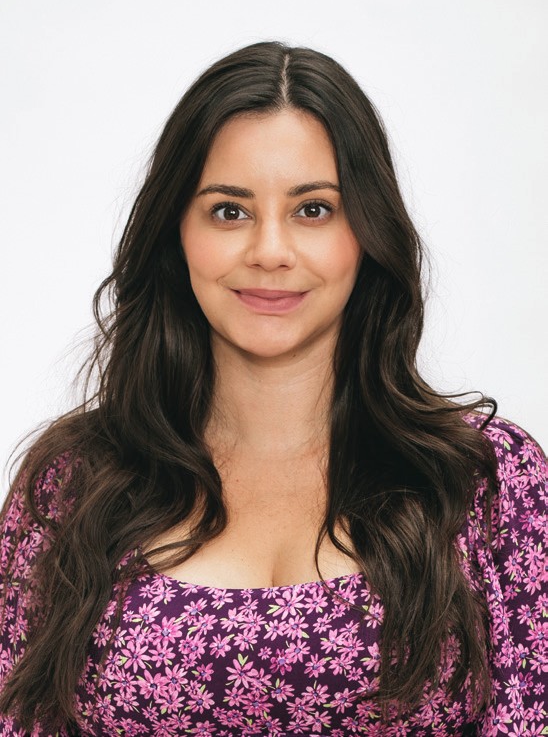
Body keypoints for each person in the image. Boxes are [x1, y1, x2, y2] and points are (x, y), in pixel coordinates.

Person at [0, 41, 545, 737]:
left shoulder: (487, 480)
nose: (269, 251)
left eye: (313, 209)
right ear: (177, 234)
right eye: (229, 211)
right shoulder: (73, 482)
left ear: (367, 231)